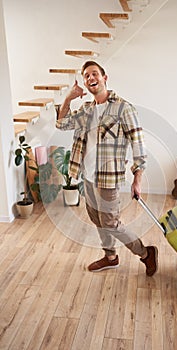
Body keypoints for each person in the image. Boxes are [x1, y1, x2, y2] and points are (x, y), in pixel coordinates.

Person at [56, 61, 158, 276]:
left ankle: (145, 253)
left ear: (104, 78)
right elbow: (62, 123)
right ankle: (111, 257)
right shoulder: (86, 109)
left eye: (94, 74)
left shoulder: (123, 108)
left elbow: (138, 145)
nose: (90, 78)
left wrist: (137, 179)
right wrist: (69, 97)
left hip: (109, 178)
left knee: (110, 223)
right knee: (97, 220)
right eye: (86, 76)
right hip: (88, 176)